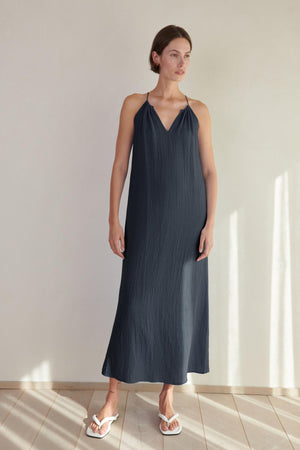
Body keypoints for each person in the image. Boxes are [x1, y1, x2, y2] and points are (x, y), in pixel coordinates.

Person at [86, 24, 218, 439]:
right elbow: (120, 167)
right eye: (175, 54)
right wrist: (113, 218)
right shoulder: (133, 106)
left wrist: (211, 223)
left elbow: (210, 171)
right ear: (157, 56)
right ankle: (112, 399)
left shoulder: (199, 111)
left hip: (187, 225)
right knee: (134, 305)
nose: (183, 64)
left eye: (188, 56)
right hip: (144, 222)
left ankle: (167, 398)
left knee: (179, 309)